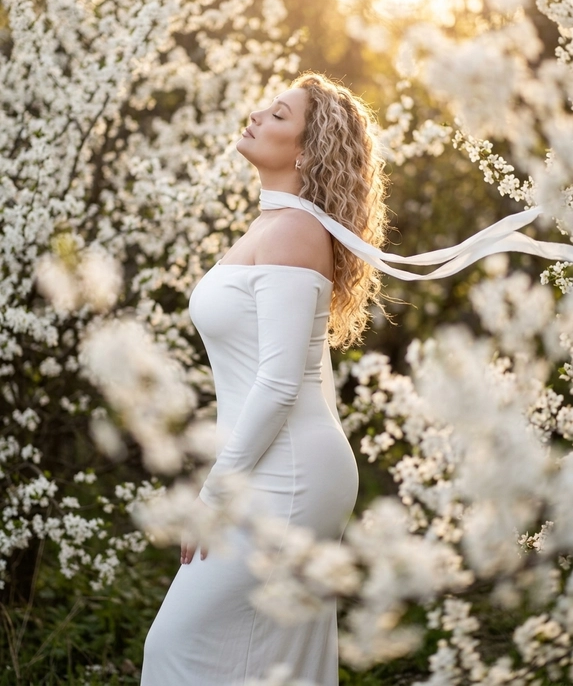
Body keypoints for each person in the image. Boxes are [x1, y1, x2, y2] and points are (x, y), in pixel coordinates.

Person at [140, 72, 573, 686]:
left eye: (280, 115)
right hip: (271, 465)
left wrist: (213, 496)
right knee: (268, 668)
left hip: (283, 476)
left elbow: (281, 382)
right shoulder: (273, 226)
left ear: (308, 151)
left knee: (177, 650)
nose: (259, 114)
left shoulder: (292, 231)